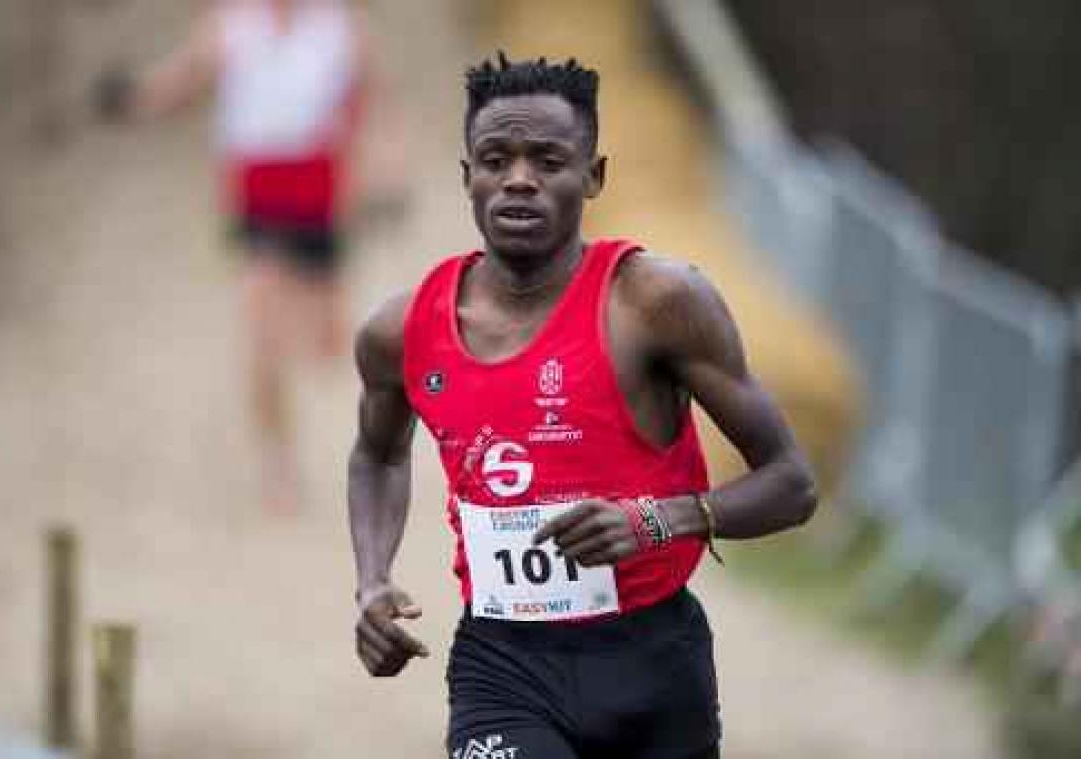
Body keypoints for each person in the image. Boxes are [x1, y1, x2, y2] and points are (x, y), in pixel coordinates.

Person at [348, 53, 818, 758]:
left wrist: (660, 519)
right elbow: (378, 453)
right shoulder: (400, 330)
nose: (518, 180)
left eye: (547, 160)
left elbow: (792, 483)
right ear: (466, 176)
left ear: (593, 176)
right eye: (495, 159)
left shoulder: (657, 303)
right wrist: (372, 579)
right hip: (502, 664)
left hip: (655, 660)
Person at [96, 0, 371, 512]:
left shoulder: (337, 22)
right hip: (259, 194)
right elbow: (182, 79)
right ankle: (278, 463)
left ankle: (338, 446)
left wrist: (377, 168)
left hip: (319, 193)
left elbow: (366, 97)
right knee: (261, 331)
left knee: (328, 346)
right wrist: (134, 99)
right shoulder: (231, 23)